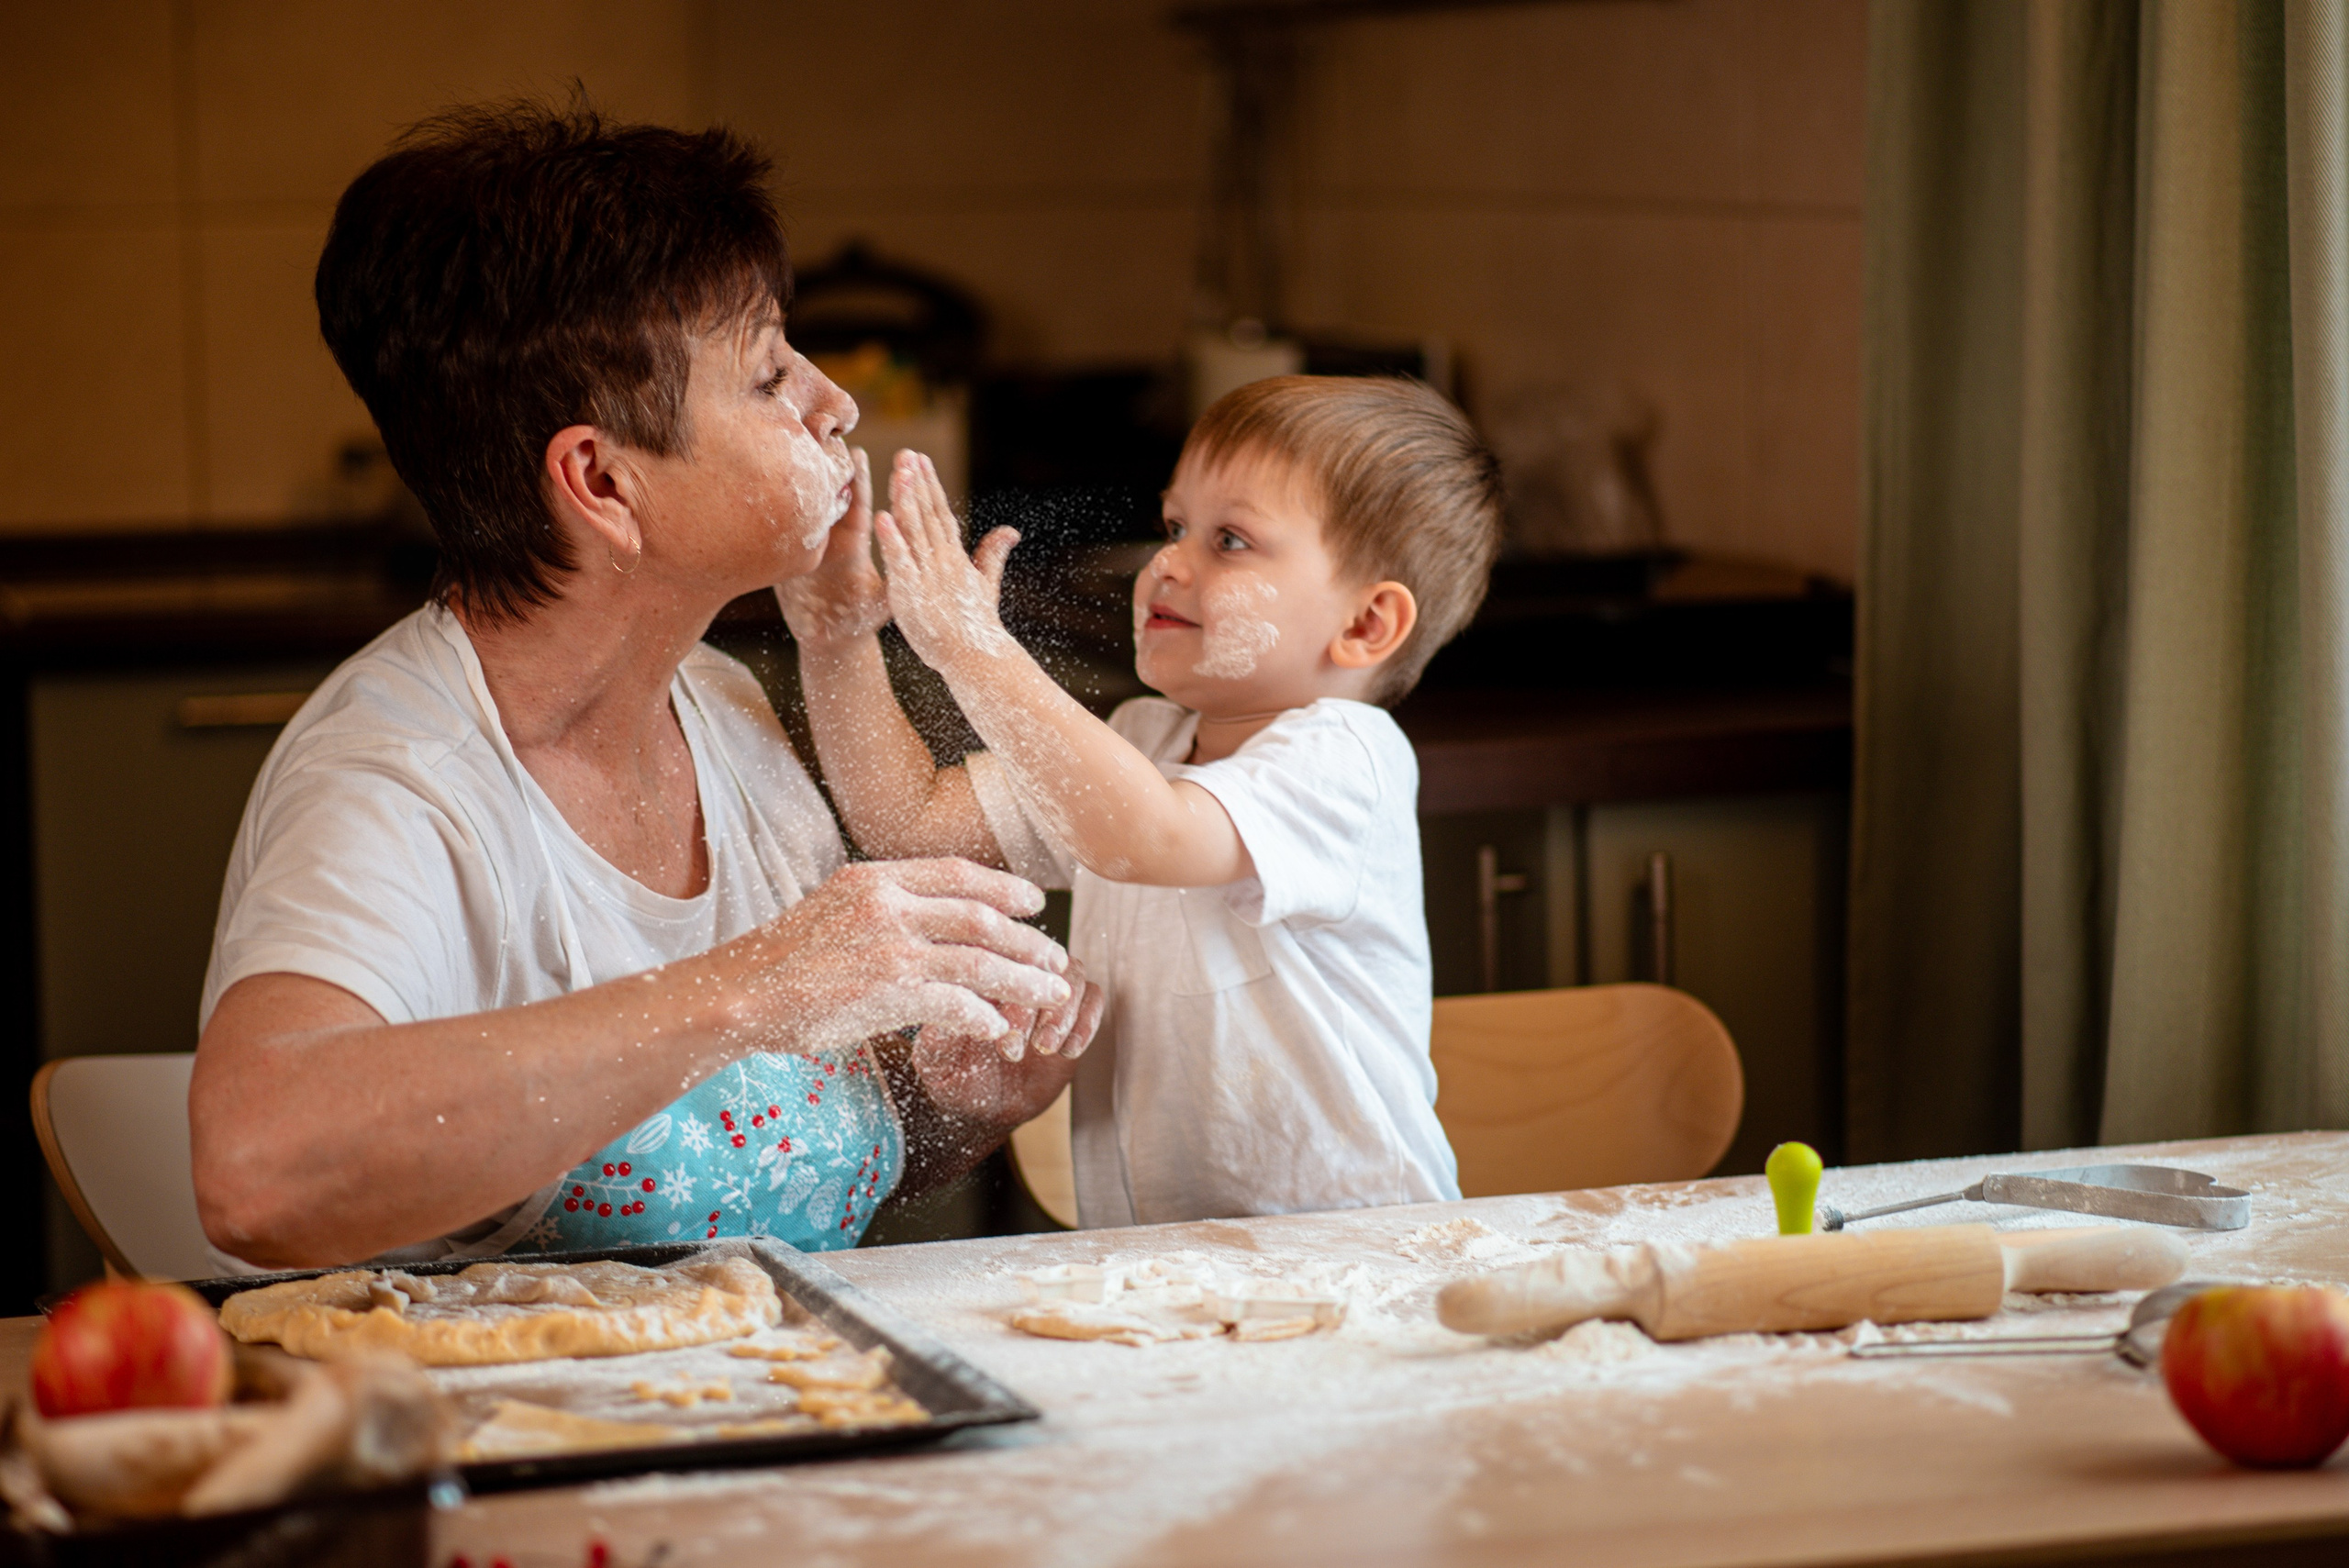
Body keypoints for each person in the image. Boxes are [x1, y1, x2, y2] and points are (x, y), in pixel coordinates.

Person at [189, 102, 1100, 1273]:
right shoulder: (396, 781)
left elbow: (761, 1173)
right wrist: (756, 982)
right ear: (602, 483)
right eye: (769, 374)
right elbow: (257, 1169)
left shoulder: (720, 703)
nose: (837, 404)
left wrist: (956, 1105)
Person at [792, 375, 1504, 1226]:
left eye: (1230, 540)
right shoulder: (1144, 742)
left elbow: (1149, 836)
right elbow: (908, 818)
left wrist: (977, 652)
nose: (1168, 561)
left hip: (1354, 1253)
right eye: (1175, 526)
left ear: (1364, 626)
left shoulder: (1346, 759)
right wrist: (836, 643)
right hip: (1166, 1261)